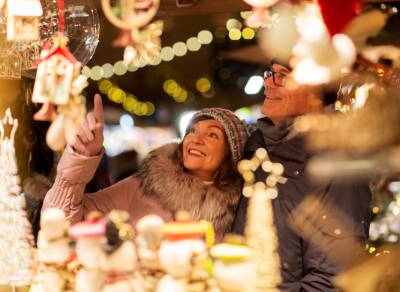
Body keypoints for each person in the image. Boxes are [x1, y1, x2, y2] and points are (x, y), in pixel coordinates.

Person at [232, 62, 371, 291]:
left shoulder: (337, 160)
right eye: (270, 74)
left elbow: (332, 277)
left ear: (317, 92)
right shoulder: (256, 149)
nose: (268, 83)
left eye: (282, 77)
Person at [42, 94, 248, 238]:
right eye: (192, 131)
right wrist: (81, 159)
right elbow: (61, 223)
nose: (196, 139)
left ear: (231, 152)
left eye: (212, 134)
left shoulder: (241, 207)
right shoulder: (146, 186)